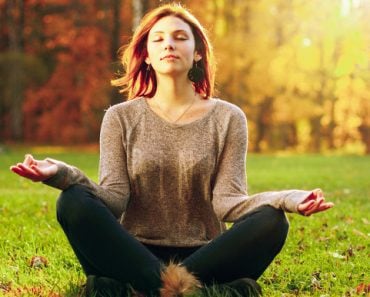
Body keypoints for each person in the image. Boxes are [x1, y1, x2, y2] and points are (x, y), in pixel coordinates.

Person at [10, 3, 334, 297]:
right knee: (72, 201)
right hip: (132, 254)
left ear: (197, 53)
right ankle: (180, 288)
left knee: (273, 222)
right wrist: (62, 174)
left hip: (205, 256)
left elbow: (229, 203)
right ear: (147, 55)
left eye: (180, 37)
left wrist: (287, 199)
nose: (169, 44)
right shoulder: (120, 118)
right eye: (159, 39)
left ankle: (145, 289)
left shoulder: (228, 118)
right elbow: (113, 198)